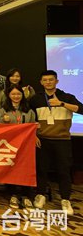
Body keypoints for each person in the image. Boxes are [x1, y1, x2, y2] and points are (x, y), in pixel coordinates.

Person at [30, 70, 83, 215]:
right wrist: (34, 135)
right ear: (41, 82)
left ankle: (65, 199)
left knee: (64, 170)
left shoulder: (67, 97)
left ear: (57, 81)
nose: (48, 82)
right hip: (42, 139)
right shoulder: (36, 99)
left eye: (51, 79)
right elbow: (30, 118)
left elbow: (81, 109)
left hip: (62, 140)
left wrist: (61, 104)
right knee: (41, 169)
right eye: (45, 80)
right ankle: (40, 194)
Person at [0, 85, 36, 212]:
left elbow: (33, 126)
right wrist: (4, 121)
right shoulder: (4, 109)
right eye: (13, 94)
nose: (16, 96)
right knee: (11, 169)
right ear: (9, 95)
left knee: (25, 168)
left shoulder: (28, 110)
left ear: (22, 95)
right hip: (10, 144)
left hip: (25, 145)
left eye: (18, 94)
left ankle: (26, 195)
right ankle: (14, 195)